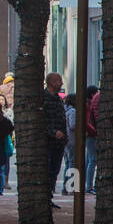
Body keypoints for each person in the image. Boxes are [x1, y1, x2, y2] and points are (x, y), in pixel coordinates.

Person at [44, 73, 67, 209]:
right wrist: (53, 132)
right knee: (48, 170)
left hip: (59, 143)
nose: (61, 83)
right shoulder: (45, 98)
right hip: (49, 142)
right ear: (51, 82)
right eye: (58, 81)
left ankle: (49, 197)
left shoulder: (58, 100)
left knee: (54, 171)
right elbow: (41, 121)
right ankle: (45, 198)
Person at [86, 88, 100, 194]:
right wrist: (95, 131)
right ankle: (89, 186)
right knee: (92, 160)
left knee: (90, 160)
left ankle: (88, 185)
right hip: (92, 134)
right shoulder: (95, 99)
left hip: (91, 134)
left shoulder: (92, 101)